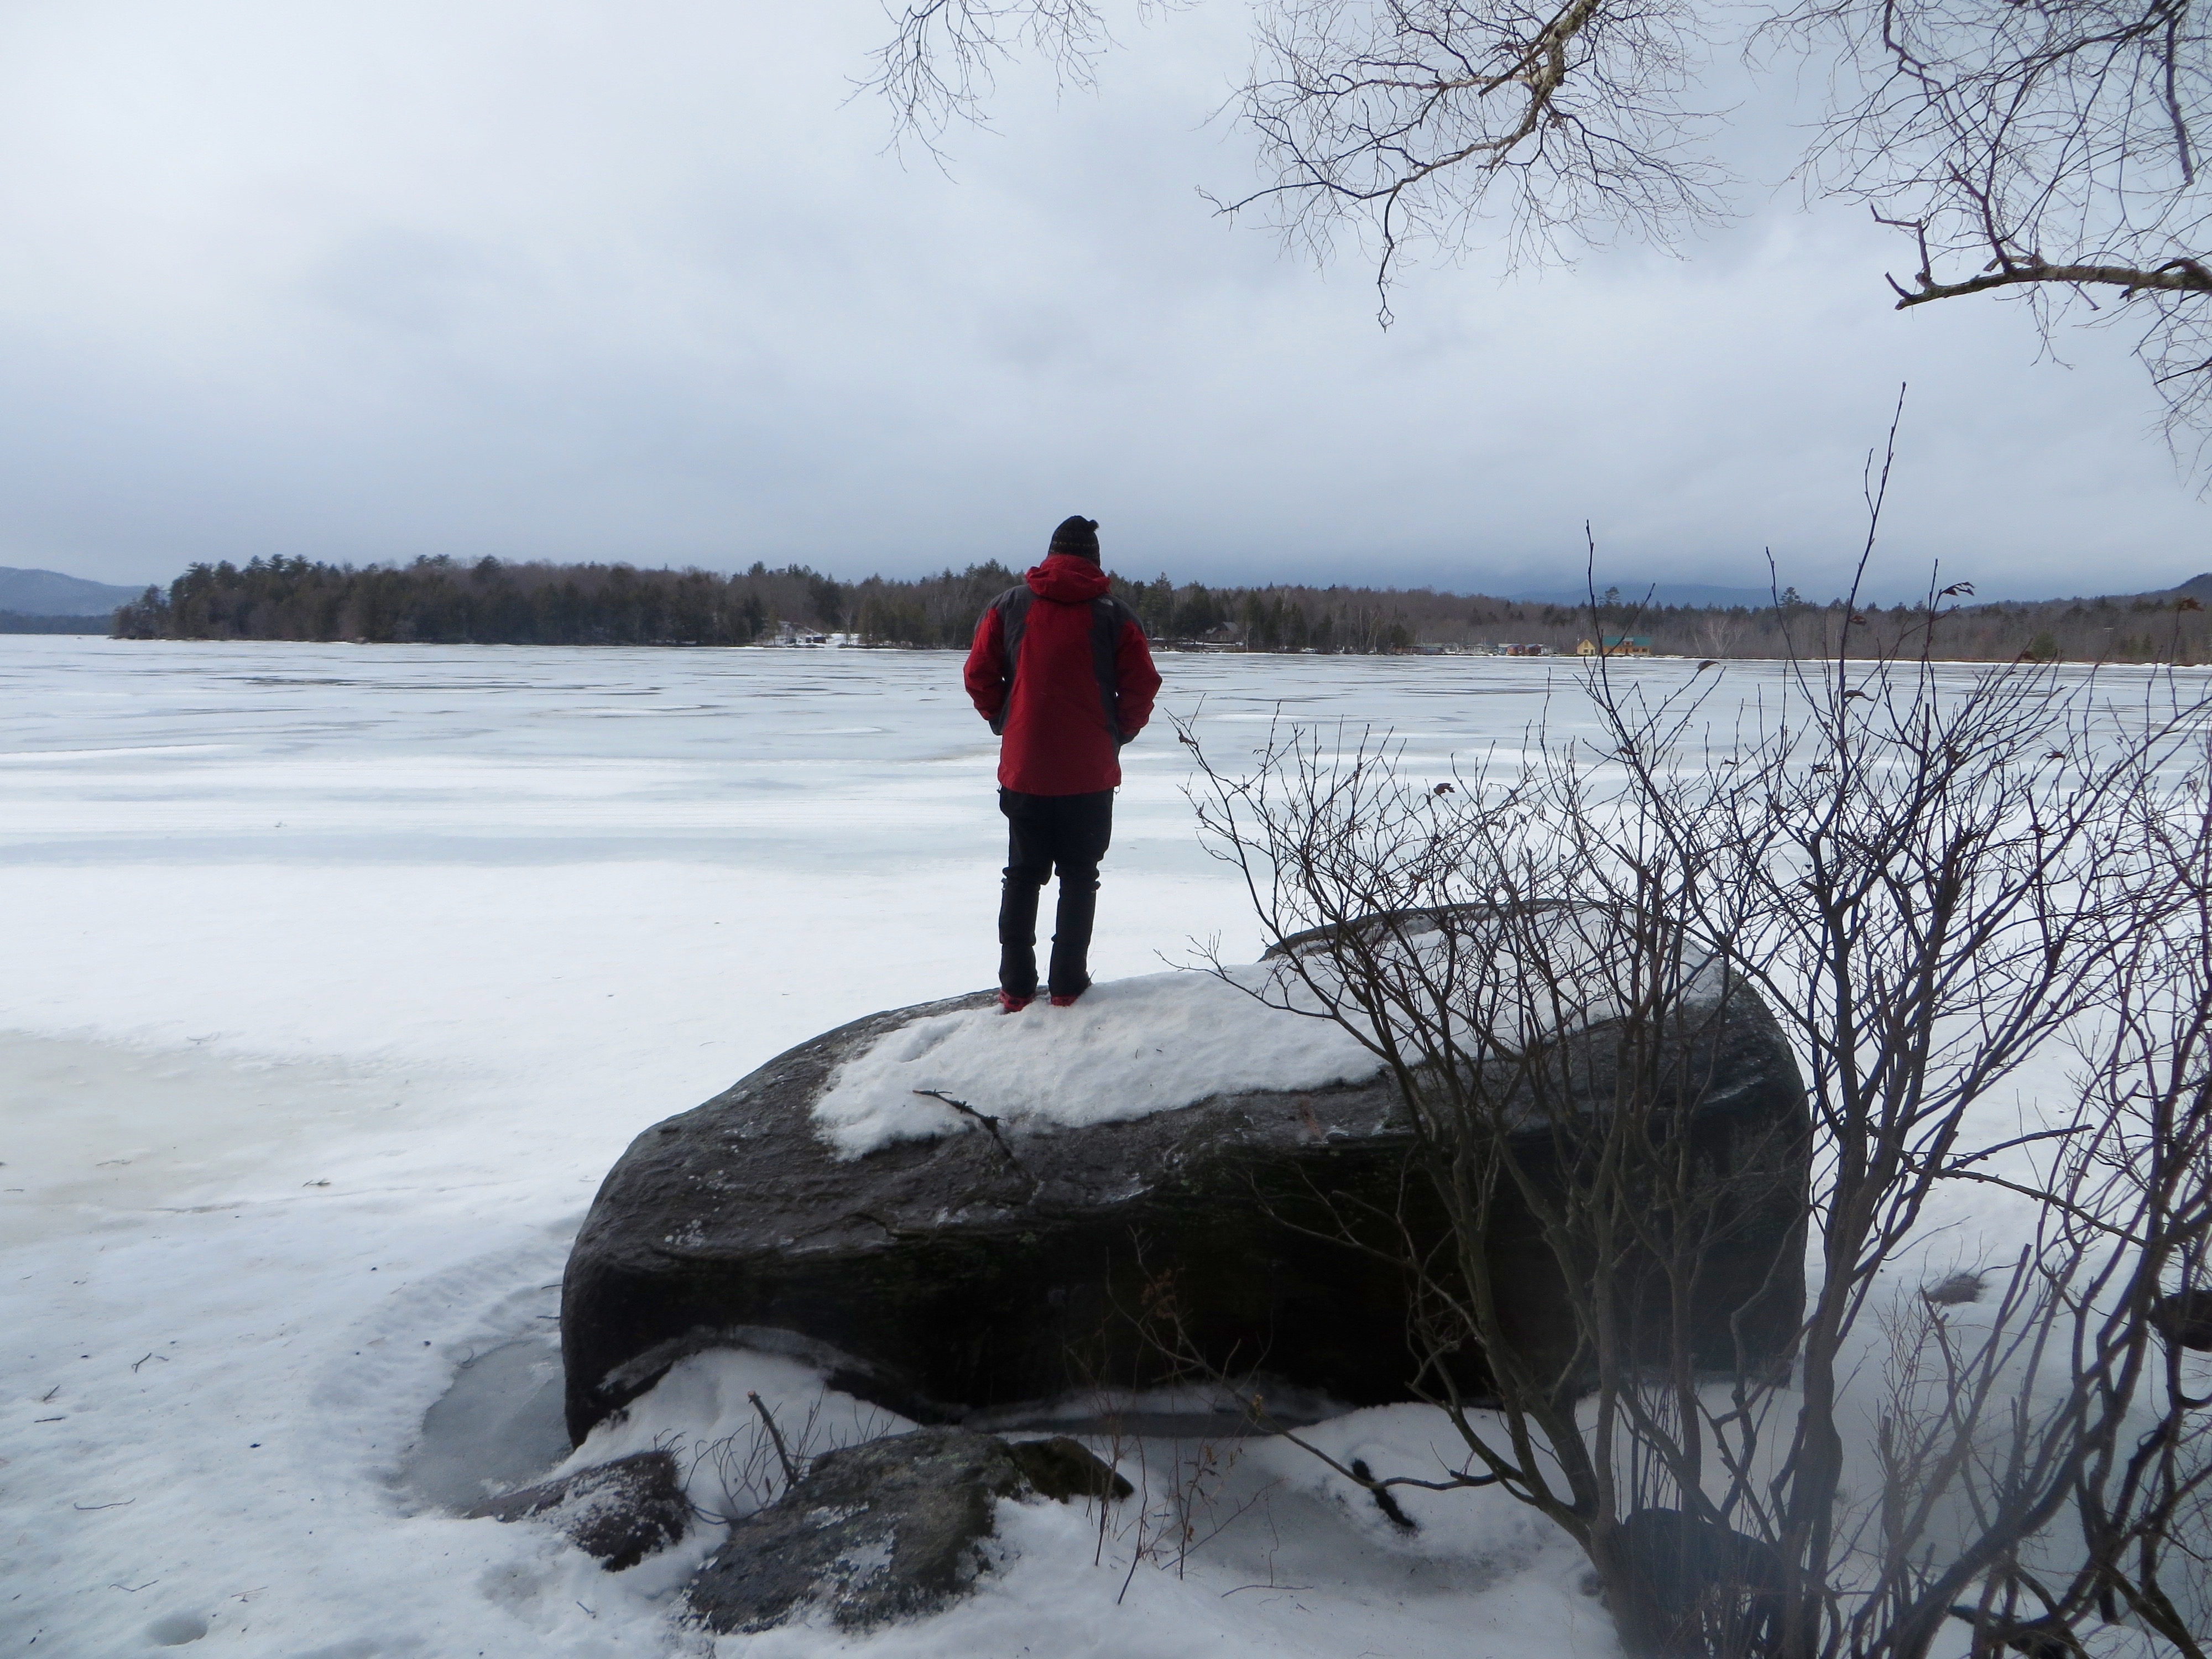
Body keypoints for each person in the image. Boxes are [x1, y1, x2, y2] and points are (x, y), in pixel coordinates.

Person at [963, 515, 1162, 1011]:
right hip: (1088, 775)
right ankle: (1068, 987)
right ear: (1094, 559)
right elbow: (1142, 687)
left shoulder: (1008, 606)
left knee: (1023, 875)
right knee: (1079, 876)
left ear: (1052, 554)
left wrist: (1005, 719)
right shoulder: (1115, 614)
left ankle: (1015, 989)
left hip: (1026, 769)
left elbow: (978, 674)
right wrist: (1121, 732)